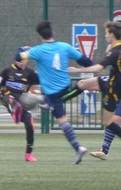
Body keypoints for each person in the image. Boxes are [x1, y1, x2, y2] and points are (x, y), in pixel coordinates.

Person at [18, 21, 93, 164]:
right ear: (53, 33)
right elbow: (85, 60)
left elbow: (19, 56)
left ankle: (78, 147)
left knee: (62, 121)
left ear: (40, 36)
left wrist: (25, 49)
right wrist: (91, 67)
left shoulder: (38, 50)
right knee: (53, 98)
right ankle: (44, 100)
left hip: (52, 92)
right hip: (64, 86)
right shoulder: (65, 47)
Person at [66, 21, 121, 159]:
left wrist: (78, 69)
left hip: (114, 88)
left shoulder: (115, 52)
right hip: (111, 81)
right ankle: (57, 101)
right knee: (82, 84)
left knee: (107, 122)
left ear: (112, 35)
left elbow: (98, 68)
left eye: (107, 33)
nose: (105, 36)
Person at [0, 46, 41, 162]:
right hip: (8, 98)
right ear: (16, 60)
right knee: (13, 103)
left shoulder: (29, 73)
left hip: (23, 101)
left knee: (29, 125)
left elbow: (42, 79)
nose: (22, 63)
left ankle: (28, 154)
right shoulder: (7, 71)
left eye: (24, 60)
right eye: (20, 61)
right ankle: (14, 112)